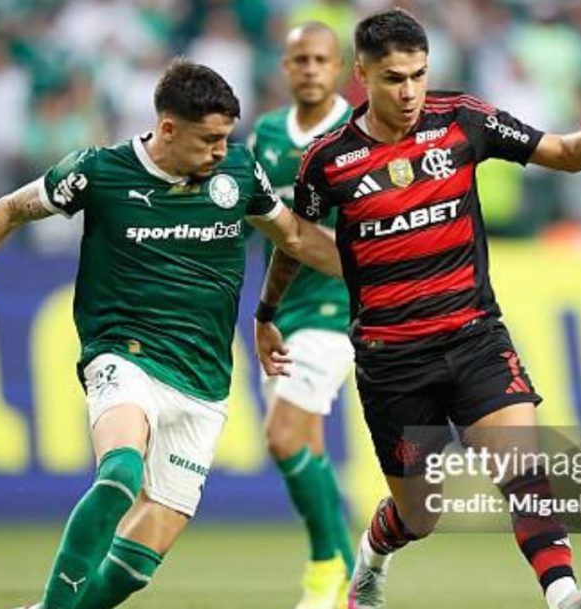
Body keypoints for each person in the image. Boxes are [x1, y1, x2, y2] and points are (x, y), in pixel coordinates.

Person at [0, 59, 340, 609]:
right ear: (168, 128)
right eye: (209, 139)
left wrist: (377, 268)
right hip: (124, 354)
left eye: (226, 138)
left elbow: (293, 235)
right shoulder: (100, 172)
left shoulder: (238, 173)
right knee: (120, 471)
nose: (220, 150)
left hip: (204, 382)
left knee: (136, 568)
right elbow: (9, 210)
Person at [254, 9, 581, 609]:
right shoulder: (329, 161)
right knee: (420, 517)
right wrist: (266, 313)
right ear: (363, 76)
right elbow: (296, 242)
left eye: (418, 76)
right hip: (392, 362)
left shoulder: (462, 120)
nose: (408, 92)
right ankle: (371, 559)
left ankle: (563, 597)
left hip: (475, 338)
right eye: (394, 78)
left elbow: (563, 152)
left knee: (524, 474)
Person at [249, 22, 355, 609]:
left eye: (321, 59)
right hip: (282, 312)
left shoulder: (357, 133)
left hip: (338, 311)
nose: (310, 68)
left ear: (338, 68)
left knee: (282, 436)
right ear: (286, 68)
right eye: (300, 60)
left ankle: (323, 573)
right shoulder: (265, 133)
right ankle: (349, 582)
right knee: (307, 446)